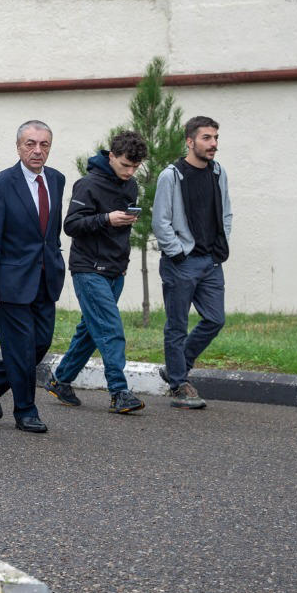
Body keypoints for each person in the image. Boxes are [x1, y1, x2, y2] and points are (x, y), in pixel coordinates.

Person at [0, 121, 66, 434]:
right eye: (30, 144)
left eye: (44, 144)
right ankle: (26, 411)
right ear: (19, 146)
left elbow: (51, 232)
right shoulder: (1, 184)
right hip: (11, 281)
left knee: (41, 343)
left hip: (46, 279)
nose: (37, 150)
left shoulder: (56, 180)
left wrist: (56, 261)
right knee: (22, 349)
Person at [47, 131, 149, 415]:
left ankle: (61, 379)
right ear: (112, 156)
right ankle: (119, 392)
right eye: (125, 165)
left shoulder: (131, 186)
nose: (130, 172)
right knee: (110, 329)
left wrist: (123, 223)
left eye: (135, 167)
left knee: (91, 331)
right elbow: (71, 225)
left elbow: (120, 228)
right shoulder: (87, 184)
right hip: (88, 269)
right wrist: (107, 218)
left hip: (116, 269)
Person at [152, 115, 231, 411]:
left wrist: (220, 245)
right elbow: (161, 222)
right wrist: (178, 253)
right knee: (177, 326)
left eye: (215, 138)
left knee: (215, 319)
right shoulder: (171, 175)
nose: (213, 144)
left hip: (211, 261)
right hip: (181, 263)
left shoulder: (218, 172)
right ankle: (178, 384)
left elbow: (226, 213)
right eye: (207, 138)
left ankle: (175, 367)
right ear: (190, 141)